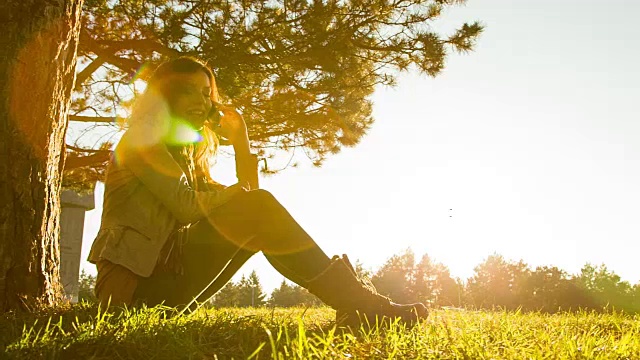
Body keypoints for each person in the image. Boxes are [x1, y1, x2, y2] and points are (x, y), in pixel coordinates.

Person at [87, 56, 427, 327]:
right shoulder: (140, 139)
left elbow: (252, 206)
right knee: (256, 209)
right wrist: (241, 192)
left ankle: (357, 305)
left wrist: (240, 142)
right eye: (189, 90)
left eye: (207, 93)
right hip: (130, 296)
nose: (202, 101)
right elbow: (188, 208)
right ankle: (361, 304)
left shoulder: (185, 154)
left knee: (257, 212)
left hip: (167, 283)